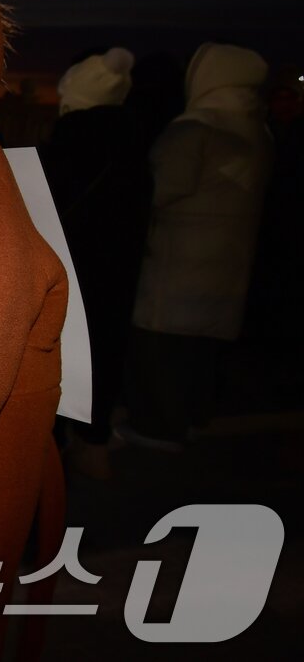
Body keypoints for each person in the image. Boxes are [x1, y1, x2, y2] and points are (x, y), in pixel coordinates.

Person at [123, 41, 274, 450]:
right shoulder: (256, 130)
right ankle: (191, 418)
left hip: (176, 263)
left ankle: (158, 428)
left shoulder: (194, 130)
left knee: (162, 349)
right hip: (228, 265)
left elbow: (158, 192)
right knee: (202, 351)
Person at [38, 47, 152, 479]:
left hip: (67, 271)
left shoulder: (66, 149)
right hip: (118, 274)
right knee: (104, 354)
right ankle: (93, 443)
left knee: (58, 359)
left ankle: (53, 453)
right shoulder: (137, 148)